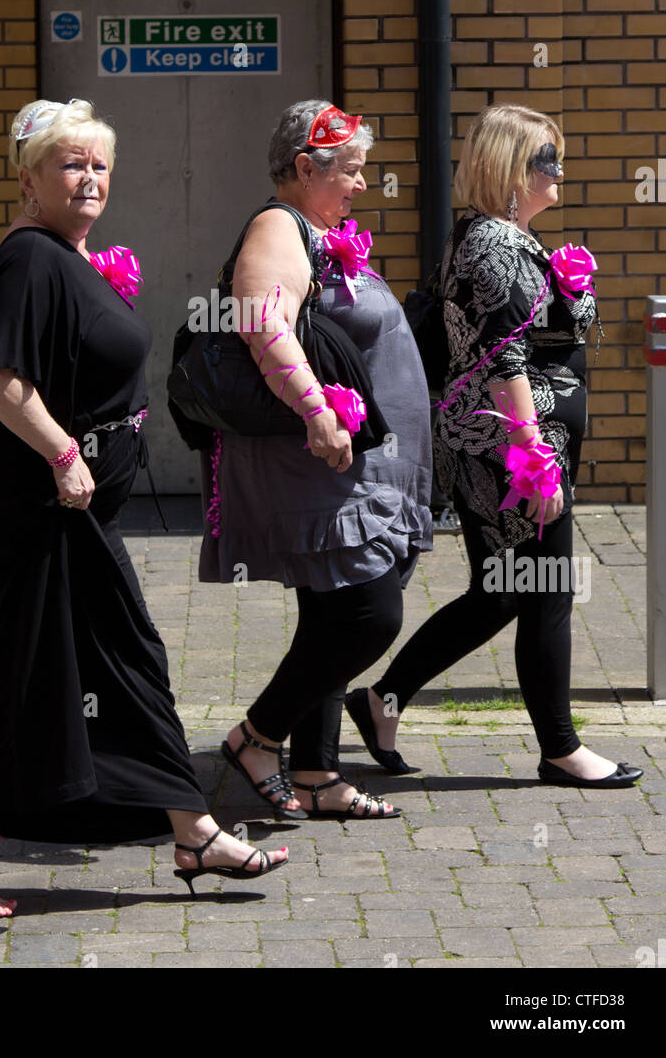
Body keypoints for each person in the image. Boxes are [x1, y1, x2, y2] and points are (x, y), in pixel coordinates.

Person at [0, 97, 288, 919]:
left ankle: (195, 831)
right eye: (71, 163)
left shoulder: (68, 257)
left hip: (76, 511)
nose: (90, 177)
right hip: (38, 508)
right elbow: (0, 380)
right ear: (29, 176)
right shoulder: (31, 258)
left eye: (100, 163)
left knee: (126, 661)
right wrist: (66, 454)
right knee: (25, 675)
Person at [347, 103, 642, 789]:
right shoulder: (493, 247)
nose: (560, 170)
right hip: (508, 452)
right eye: (548, 159)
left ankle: (380, 701)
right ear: (511, 167)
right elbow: (502, 361)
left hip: (509, 444)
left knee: (502, 589)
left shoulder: (502, 239)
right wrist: (534, 458)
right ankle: (562, 749)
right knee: (545, 587)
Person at [199, 100, 433, 821]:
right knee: (369, 615)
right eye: (352, 171)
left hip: (358, 470)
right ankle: (256, 736)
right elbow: (262, 319)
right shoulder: (278, 225)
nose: (363, 185)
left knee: (333, 614)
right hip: (323, 467)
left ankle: (315, 773)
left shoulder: (315, 231)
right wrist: (316, 410)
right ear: (306, 168)